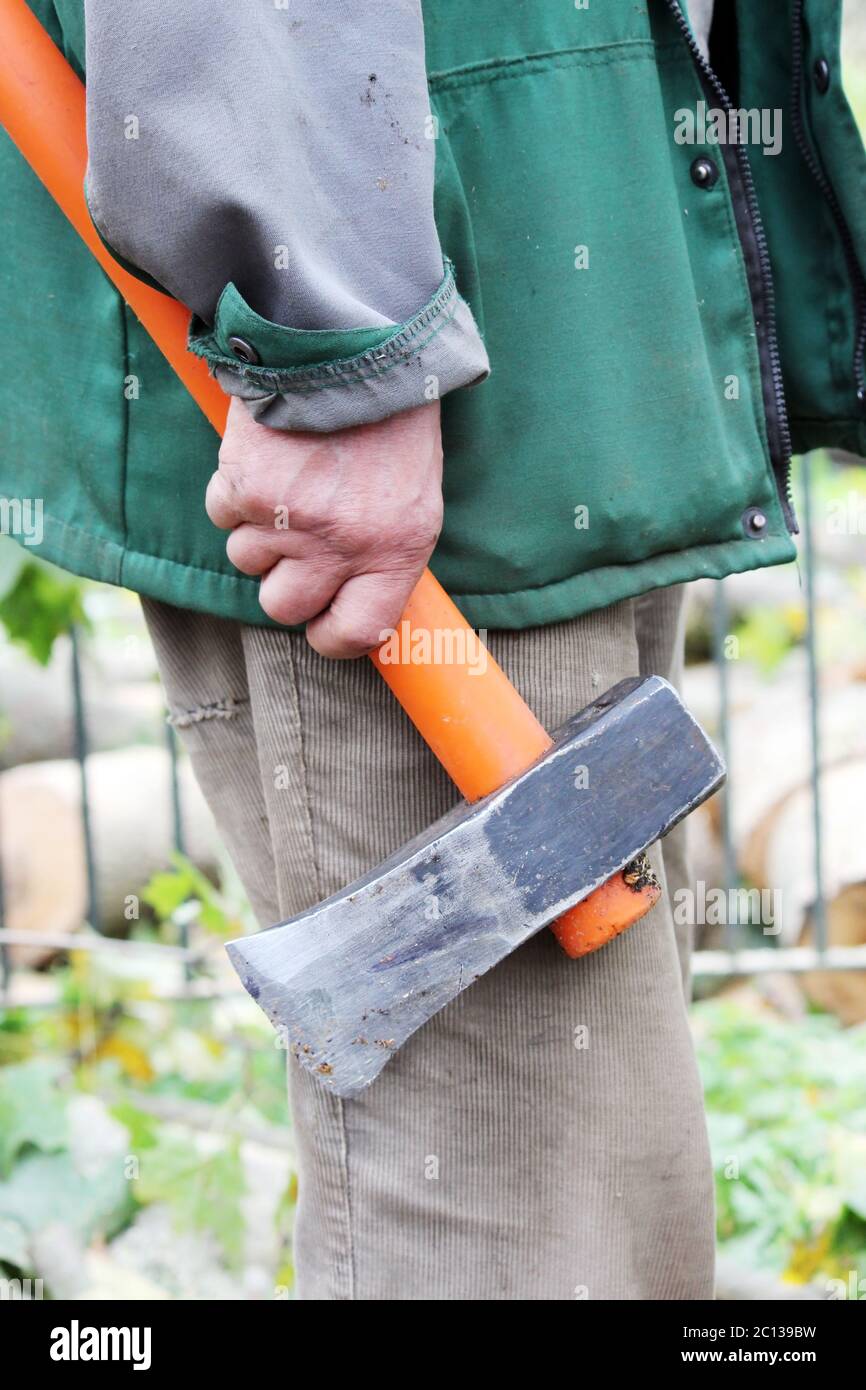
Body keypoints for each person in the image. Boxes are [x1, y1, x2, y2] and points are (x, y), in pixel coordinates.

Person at [3, 0, 865, 1299]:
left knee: (607, 1176)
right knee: (524, 1213)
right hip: (406, 351)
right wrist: (332, 338)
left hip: (560, 272)